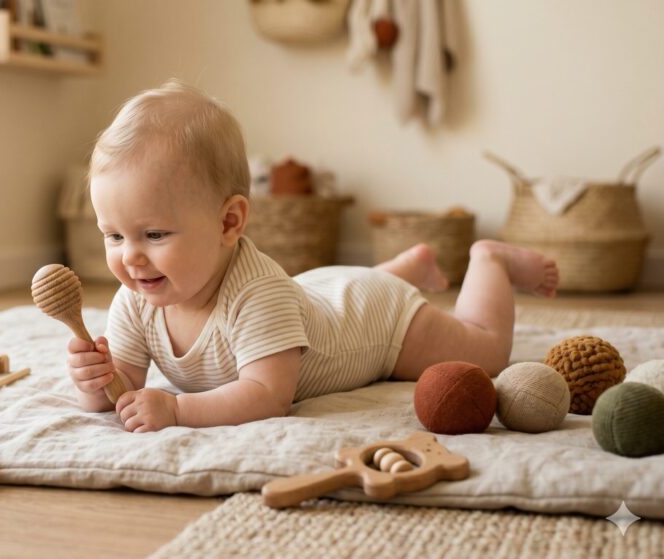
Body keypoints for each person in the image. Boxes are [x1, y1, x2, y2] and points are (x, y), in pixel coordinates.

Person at [67, 80, 559, 433]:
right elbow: (122, 390)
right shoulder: (136, 299)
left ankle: (489, 261)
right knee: (321, 293)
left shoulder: (257, 296)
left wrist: (178, 411)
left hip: (377, 321)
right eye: (113, 236)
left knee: (487, 351)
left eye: (152, 234)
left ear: (229, 223)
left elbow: (267, 396)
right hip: (319, 291)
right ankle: (407, 268)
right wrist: (94, 383)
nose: (130, 258)